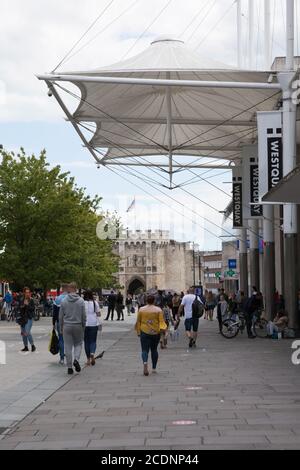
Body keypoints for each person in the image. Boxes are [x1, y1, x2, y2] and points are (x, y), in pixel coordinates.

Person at [135, 294, 167, 376]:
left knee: (144, 350)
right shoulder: (158, 310)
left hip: (144, 331)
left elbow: (138, 321)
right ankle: (154, 368)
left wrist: (138, 332)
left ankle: (145, 364)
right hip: (155, 332)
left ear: (146, 301)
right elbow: (161, 322)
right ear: (154, 301)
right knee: (154, 350)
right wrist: (164, 329)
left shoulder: (141, 309)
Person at [59, 282, 86, 375]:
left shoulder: (63, 301)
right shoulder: (81, 301)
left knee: (68, 346)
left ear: (69, 289)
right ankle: (76, 359)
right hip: (78, 325)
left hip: (67, 325)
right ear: (76, 289)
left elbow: (60, 316)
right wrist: (83, 325)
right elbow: (84, 315)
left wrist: (60, 326)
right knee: (78, 343)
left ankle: (69, 367)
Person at [84, 290, 101, 366]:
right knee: (93, 341)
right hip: (93, 323)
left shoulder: (82, 303)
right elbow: (99, 314)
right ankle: (92, 353)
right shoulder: (95, 303)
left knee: (86, 342)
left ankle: (88, 360)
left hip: (84, 324)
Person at [53, 284, 68, 365]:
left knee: (61, 339)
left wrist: (53, 322)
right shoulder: (71, 298)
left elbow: (54, 313)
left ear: (62, 289)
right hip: (70, 322)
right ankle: (70, 357)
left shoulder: (58, 299)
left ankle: (62, 358)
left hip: (60, 321)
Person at [19, 288, 36, 352]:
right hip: (22, 318)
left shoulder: (31, 300)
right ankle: (25, 346)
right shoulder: (21, 300)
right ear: (24, 293)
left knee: (27, 332)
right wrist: (22, 306)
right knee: (23, 333)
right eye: (26, 292)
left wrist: (27, 305)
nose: (27, 294)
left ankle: (32, 345)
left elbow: (32, 309)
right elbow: (19, 308)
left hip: (29, 318)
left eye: (28, 292)